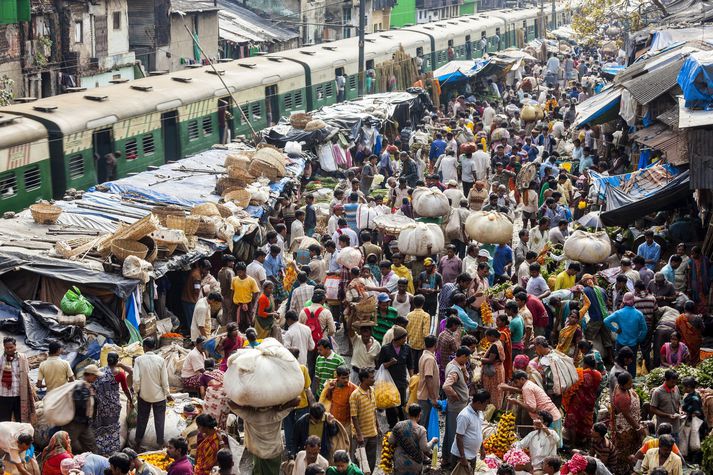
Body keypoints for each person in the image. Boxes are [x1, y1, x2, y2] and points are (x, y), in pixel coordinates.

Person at [133, 337, 171, 451]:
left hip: (144, 395)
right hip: (159, 396)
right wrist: (167, 393)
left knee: (142, 419)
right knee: (160, 420)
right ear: (154, 347)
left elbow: (136, 380)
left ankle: (137, 443)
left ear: (144, 347)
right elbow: (164, 380)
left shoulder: (138, 360)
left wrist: (137, 391)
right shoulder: (160, 360)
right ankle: (160, 444)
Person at [93, 353, 130, 456]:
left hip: (101, 405)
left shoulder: (99, 372)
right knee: (112, 428)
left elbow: (94, 387)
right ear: (117, 361)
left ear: (107, 360)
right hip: (113, 406)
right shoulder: (120, 374)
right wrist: (130, 399)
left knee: (101, 426)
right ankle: (111, 451)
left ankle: (100, 449)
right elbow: (125, 389)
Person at [563, 354, 602, 449]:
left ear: (584, 364)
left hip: (578, 402)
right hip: (590, 402)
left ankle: (573, 444)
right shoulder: (598, 374)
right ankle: (588, 443)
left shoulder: (580, 373)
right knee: (587, 421)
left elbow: (570, 386)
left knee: (572, 422)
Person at [604, 292, 647, 377]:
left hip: (620, 342)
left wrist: (615, 330)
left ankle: (618, 381)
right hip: (633, 344)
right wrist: (639, 339)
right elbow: (644, 330)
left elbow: (606, 321)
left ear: (624, 301)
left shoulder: (619, 313)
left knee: (619, 363)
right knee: (632, 364)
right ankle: (631, 382)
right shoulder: (639, 314)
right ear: (633, 301)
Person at [442, 347, 472, 467]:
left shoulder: (455, 365)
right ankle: (451, 460)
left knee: (450, 431)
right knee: (454, 433)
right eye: (467, 357)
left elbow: (465, 379)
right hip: (456, 407)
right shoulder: (454, 370)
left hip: (457, 405)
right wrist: (455, 396)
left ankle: (446, 458)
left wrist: (464, 370)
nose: (467, 360)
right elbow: (446, 386)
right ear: (462, 356)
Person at [611, 372, 643, 475]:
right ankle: (622, 470)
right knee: (624, 450)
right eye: (630, 383)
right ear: (623, 384)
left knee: (630, 448)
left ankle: (628, 467)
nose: (632, 384)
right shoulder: (621, 396)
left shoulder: (622, 388)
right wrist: (637, 428)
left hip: (630, 424)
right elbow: (627, 415)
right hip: (626, 427)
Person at [378, 326, 411, 427]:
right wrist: (390, 363)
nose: (405, 340)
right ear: (397, 339)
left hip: (401, 381)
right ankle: (392, 425)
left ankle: (402, 424)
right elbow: (380, 365)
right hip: (388, 382)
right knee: (390, 404)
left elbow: (410, 364)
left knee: (401, 404)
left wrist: (411, 378)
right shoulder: (386, 349)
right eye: (404, 338)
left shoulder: (407, 348)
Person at [63, 364, 100, 453]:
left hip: (84, 423)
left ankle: (93, 461)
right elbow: (79, 405)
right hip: (74, 423)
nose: (96, 378)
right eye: (95, 376)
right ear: (89, 375)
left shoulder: (88, 386)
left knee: (91, 446)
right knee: (65, 446)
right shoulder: (80, 387)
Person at [388, 404, 435, 475]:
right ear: (419, 415)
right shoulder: (421, 430)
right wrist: (433, 441)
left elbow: (391, 441)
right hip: (415, 464)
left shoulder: (398, 425)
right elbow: (425, 448)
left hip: (400, 462)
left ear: (408, 414)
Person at [451, 389, 490, 469]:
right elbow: (459, 437)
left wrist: (482, 448)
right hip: (461, 456)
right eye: (486, 404)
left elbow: (478, 432)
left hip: (472, 455)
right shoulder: (464, 416)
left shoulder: (479, 413)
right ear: (478, 403)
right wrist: (463, 457)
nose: (487, 406)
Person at [349, 368, 378, 471]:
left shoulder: (372, 391)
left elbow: (374, 410)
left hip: (372, 433)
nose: (374, 380)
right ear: (364, 379)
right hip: (361, 435)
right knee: (358, 460)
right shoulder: (355, 395)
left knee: (371, 461)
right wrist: (359, 434)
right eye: (371, 378)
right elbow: (354, 416)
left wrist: (377, 427)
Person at [0, 337, 34, 423]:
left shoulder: (22, 358)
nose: (9, 350)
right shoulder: (1, 358)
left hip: (19, 394)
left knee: (20, 420)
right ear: (4, 347)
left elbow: (26, 373)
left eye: (11, 347)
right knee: (4, 421)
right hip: (4, 395)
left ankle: (19, 436)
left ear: (15, 346)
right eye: (7, 348)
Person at [320, 366, 356, 433]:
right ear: (338, 377)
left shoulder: (353, 388)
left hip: (346, 423)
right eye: (343, 378)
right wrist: (329, 390)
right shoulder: (331, 385)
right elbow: (328, 399)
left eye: (347, 377)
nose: (346, 380)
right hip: (332, 420)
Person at [649, 369, 681, 438]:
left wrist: (681, 411)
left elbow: (679, 402)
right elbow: (652, 409)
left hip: (676, 427)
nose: (674, 384)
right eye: (672, 382)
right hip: (663, 429)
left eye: (675, 382)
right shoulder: (657, 392)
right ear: (665, 379)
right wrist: (667, 415)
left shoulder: (676, 388)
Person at [480, 328, 506, 408]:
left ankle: (491, 409)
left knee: (493, 391)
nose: (486, 339)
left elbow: (491, 360)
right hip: (499, 369)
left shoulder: (495, 346)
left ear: (492, 336)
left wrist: (479, 358)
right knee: (496, 391)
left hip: (493, 372)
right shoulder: (498, 343)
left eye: (487, 337)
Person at [231, 262, 260, 332]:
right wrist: (232, 303)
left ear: (245, 271)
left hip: (247, 305)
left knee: (247, 323)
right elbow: (232, 291)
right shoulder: (234, 279)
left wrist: (253, 305)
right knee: (237, 323)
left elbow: (256, 293)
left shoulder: (251, 280)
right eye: (238, 272)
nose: (239, 274)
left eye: (241, 272)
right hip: (237, 305)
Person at [676, 300, 703, 365]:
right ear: (694, 308)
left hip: (683, 342)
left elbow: (677, 330)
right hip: (695, 343)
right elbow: (702, 329)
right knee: (694, 360)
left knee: (684, 358)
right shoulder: (697, 318)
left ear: (684, 308)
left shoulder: (679, 318)